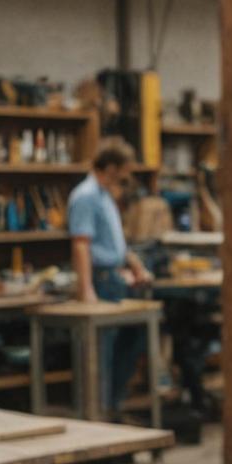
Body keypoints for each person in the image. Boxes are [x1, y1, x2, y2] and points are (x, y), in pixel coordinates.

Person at [68, 137, 153, 412]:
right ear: (112, 167)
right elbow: (81, 244)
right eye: (125, 169)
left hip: (115, 279)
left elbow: (116, 244)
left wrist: (135, 266)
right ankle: (100, 417)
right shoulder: (86, 196)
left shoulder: (105, 195)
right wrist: (86, 289)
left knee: (130, 342)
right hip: (101, 281)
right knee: (99, 355)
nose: (127, 176)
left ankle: (113, 409)